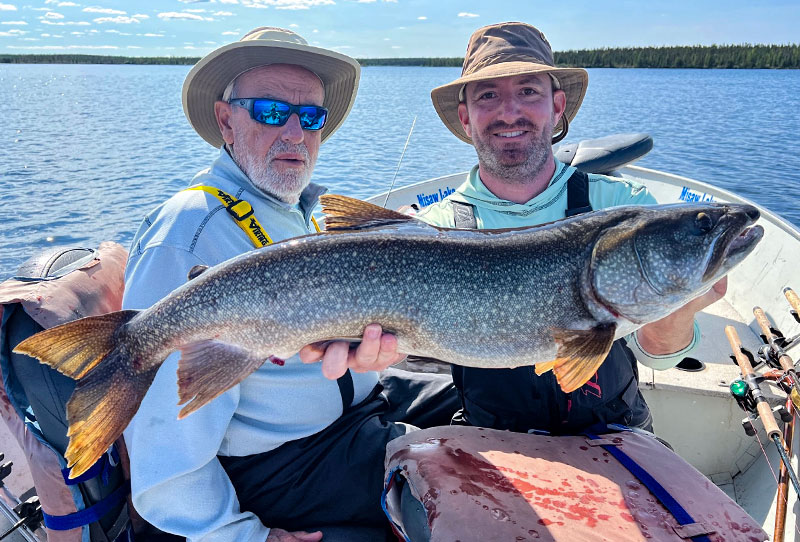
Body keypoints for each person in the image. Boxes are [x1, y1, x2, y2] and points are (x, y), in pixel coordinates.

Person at [122, 27, 456, 542]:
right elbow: (162, 438)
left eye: (312, 117)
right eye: (271, 112)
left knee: (485, 396)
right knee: (466, 507)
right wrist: (238, 536)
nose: (295, 133)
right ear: (224, 121)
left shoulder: (298, 209)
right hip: (291, 464)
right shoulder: (191, 235)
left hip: (364, 405)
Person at [415, 22, 725, 434]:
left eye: (528, 91)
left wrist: (676, 307)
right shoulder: (430, 232)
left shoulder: (623, 206)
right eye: (488, 96)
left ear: (557, 106)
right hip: (489, 442)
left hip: (616, 436)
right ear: (466, 117)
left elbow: (659, 354)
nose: (510, 112)